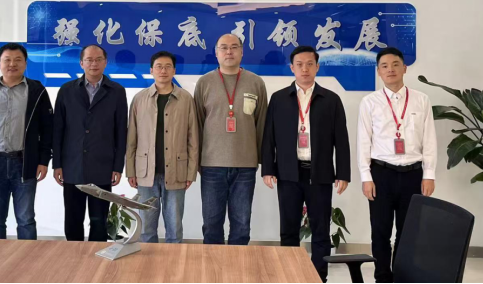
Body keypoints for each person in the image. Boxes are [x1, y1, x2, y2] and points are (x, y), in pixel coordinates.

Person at [262, 46, 350, 283]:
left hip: (320, 174)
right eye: (299, 64)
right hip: (288, 173)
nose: (304, 69)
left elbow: (341, 140)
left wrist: (343, 173)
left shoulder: (331, 99)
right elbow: (269, 136)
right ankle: (290, 276)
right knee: (288, 230)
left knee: (321, 231)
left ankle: (319, 277)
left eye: (310, 64)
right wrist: (268, 169)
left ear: (317, 67)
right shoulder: (279, 98)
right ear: (292, 68)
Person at [357, 47, 438, 284]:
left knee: (408, 232)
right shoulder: (369, 102)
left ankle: (402, 278)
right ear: (379, 72)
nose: (390, 69)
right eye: (384, 66)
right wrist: (366, 177)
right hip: (381, 174)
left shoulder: (421, 100)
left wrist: (429, 174)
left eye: (395, 64)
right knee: (380, 231)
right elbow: (363, 141)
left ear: (404, 68)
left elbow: (429, 139)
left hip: (413, 174)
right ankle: (382, 278)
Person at [0, 43, 54, 240]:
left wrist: (43, 160)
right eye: (7, 60)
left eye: (17, 60)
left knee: (26, 219)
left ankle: (27, 259)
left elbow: (48, 129)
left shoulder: (36, 91)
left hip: (25, 163)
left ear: (25, 64)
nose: (12, 64)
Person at [194, 34, 268, 246]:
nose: (229, 52)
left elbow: (262, 123)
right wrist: (197, 161)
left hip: (245, 166)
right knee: (211, 225)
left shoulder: (255, 82)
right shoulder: (204, 82)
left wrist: (261, 160)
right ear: (216, 53)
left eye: (234, 47)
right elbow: (197, 124)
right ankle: (212, 266)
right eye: (224, 48)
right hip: (211, 165)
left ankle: (238, 266)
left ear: (242, 52)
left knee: (242, 226)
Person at [53, 45, 128, 242]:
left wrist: (118, 166)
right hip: (72, 165)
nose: (93, 64)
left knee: (99, 220)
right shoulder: (67, 90)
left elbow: (121, 131)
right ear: (81, 63)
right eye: (89, 60)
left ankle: (97, 257)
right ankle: (73, 256)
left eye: (98, 59)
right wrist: (57, 164)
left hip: (103, 166)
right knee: (73, 219)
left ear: (105, 62)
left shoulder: (117, 91)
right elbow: (58, 129)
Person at [126, 51, 200, 244]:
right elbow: (131, 138)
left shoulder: (185, 99)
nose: (163, 71)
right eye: (159, 66)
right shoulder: (140, 99)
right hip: (145, 172)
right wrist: (131, 170)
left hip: (176, 171)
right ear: (151, 70)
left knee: (174, 227)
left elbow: (193, 138)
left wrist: (191, 172)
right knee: (146, 227)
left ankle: (174, 262)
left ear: (174, 71)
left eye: (168, 67)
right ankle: (148, 262)